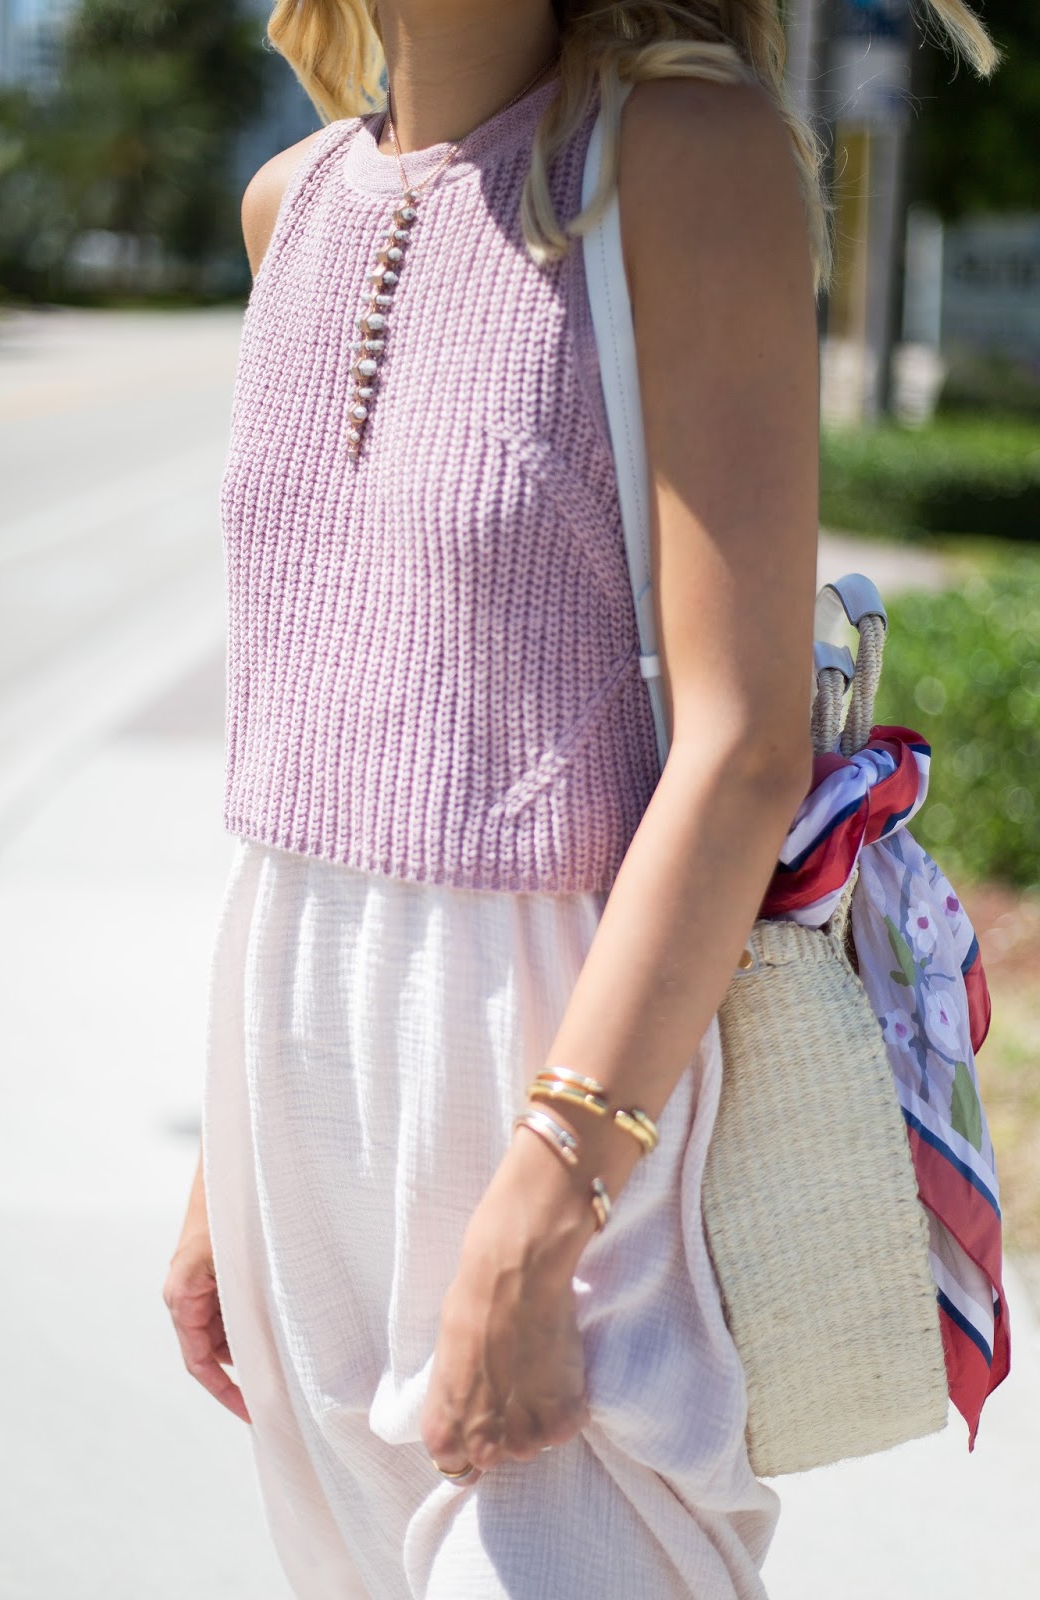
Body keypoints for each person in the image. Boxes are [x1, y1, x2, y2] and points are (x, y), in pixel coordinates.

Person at [162, 2, 999, 1596]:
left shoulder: (680, 155)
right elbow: (305, 723)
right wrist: (222, 1171)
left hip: (558, 1076)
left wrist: (545, 1202)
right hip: (295, 1088)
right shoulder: (292, 202)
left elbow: (741, 743)